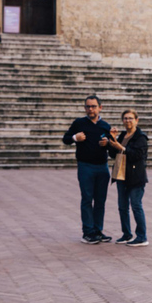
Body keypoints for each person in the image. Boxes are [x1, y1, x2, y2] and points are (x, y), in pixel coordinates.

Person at [62, 95, 113, 244]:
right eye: (88, 106)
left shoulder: (105, 125)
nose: (91, 109)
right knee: (87, 199)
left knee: (100, 201)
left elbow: (111, 148)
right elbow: (65, 139)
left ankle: (98, 230)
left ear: (100, 108)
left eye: (93, 106)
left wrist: (108, 143)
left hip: (103, 167)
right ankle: (88, 232)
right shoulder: (79, 123)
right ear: (85, 108)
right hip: (86, 166)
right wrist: (74, 138)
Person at [107, 109, 150, 247]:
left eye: (130, 118)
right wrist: (112, 139)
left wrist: (122, 148)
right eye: (125, 118)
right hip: (121, 175)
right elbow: (113, 154)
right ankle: (126, 234)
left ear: (136, 120)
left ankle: (142, 237)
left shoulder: (141, 137)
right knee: (122, 207)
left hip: (135, 176)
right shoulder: (123, 135)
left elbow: (137, 156)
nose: (128, 121)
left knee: (136, 206)